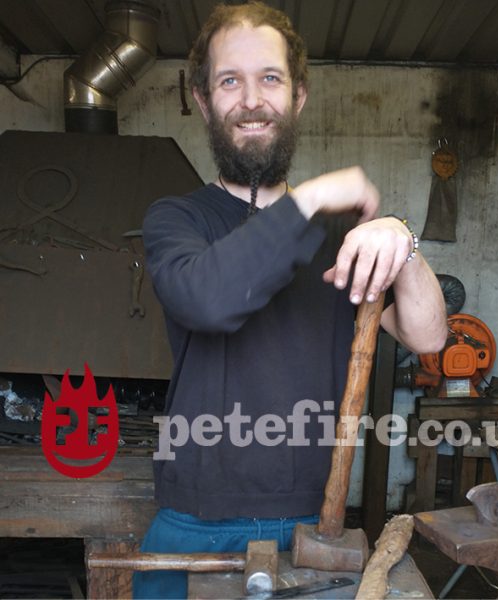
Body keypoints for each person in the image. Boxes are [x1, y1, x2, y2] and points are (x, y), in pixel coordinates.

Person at [134, 2, 446, 597]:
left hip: (309, 522)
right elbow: (209, 299)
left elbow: (430, 338)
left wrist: (404, 242)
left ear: (297, 96)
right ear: (204, 101)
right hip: (191, 521)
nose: (251, 100)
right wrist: (311, 199)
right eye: (230, 80)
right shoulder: (177, 219)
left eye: (269, 78)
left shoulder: (340, 235)